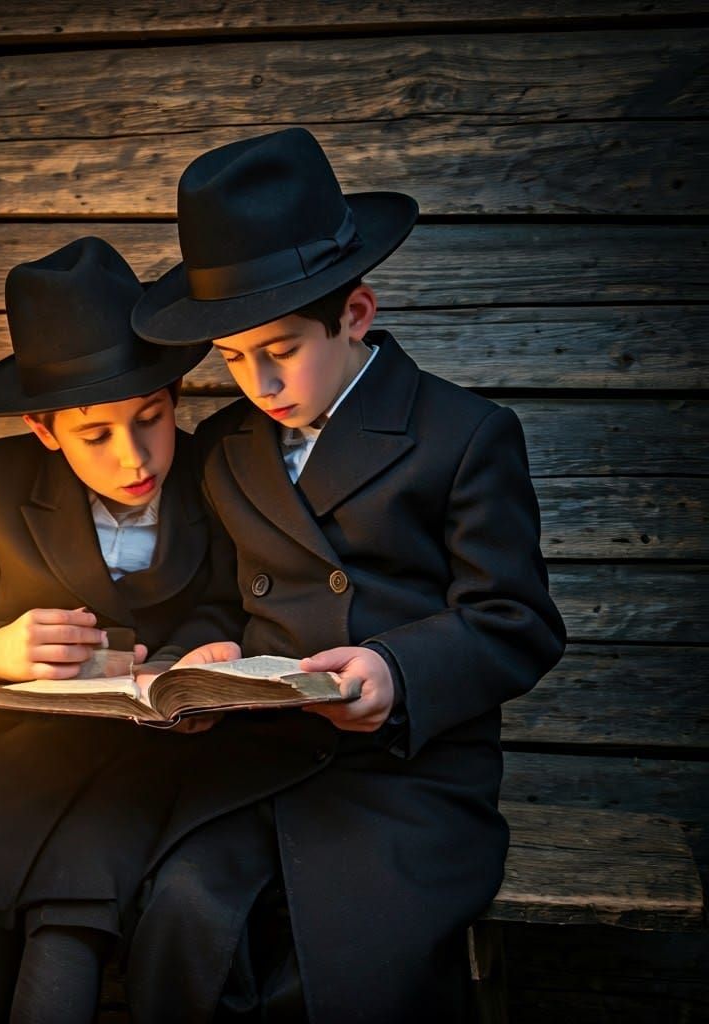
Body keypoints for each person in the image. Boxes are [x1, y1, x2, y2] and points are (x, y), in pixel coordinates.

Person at [127, 128, 567, 1022]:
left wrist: (395, 672)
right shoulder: (225, 447)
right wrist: (203, 655)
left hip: (406, 771)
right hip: (258, 762)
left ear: (355, 313)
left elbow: (515, 619)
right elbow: (219, 596)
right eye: (233, 357)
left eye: (280, 350)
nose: (258, 383)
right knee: (184, 920)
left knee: (347, 971)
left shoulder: (464, 434)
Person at [0, 236, 242, 1023]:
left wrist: (187, 659)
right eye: (96, 436)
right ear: (45, 429)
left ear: (176, 394)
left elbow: (230, 599)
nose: (135, 457)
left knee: (72, 918)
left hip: (156, 764)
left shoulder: (218, 472)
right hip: (13, 772)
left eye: (152, 418)